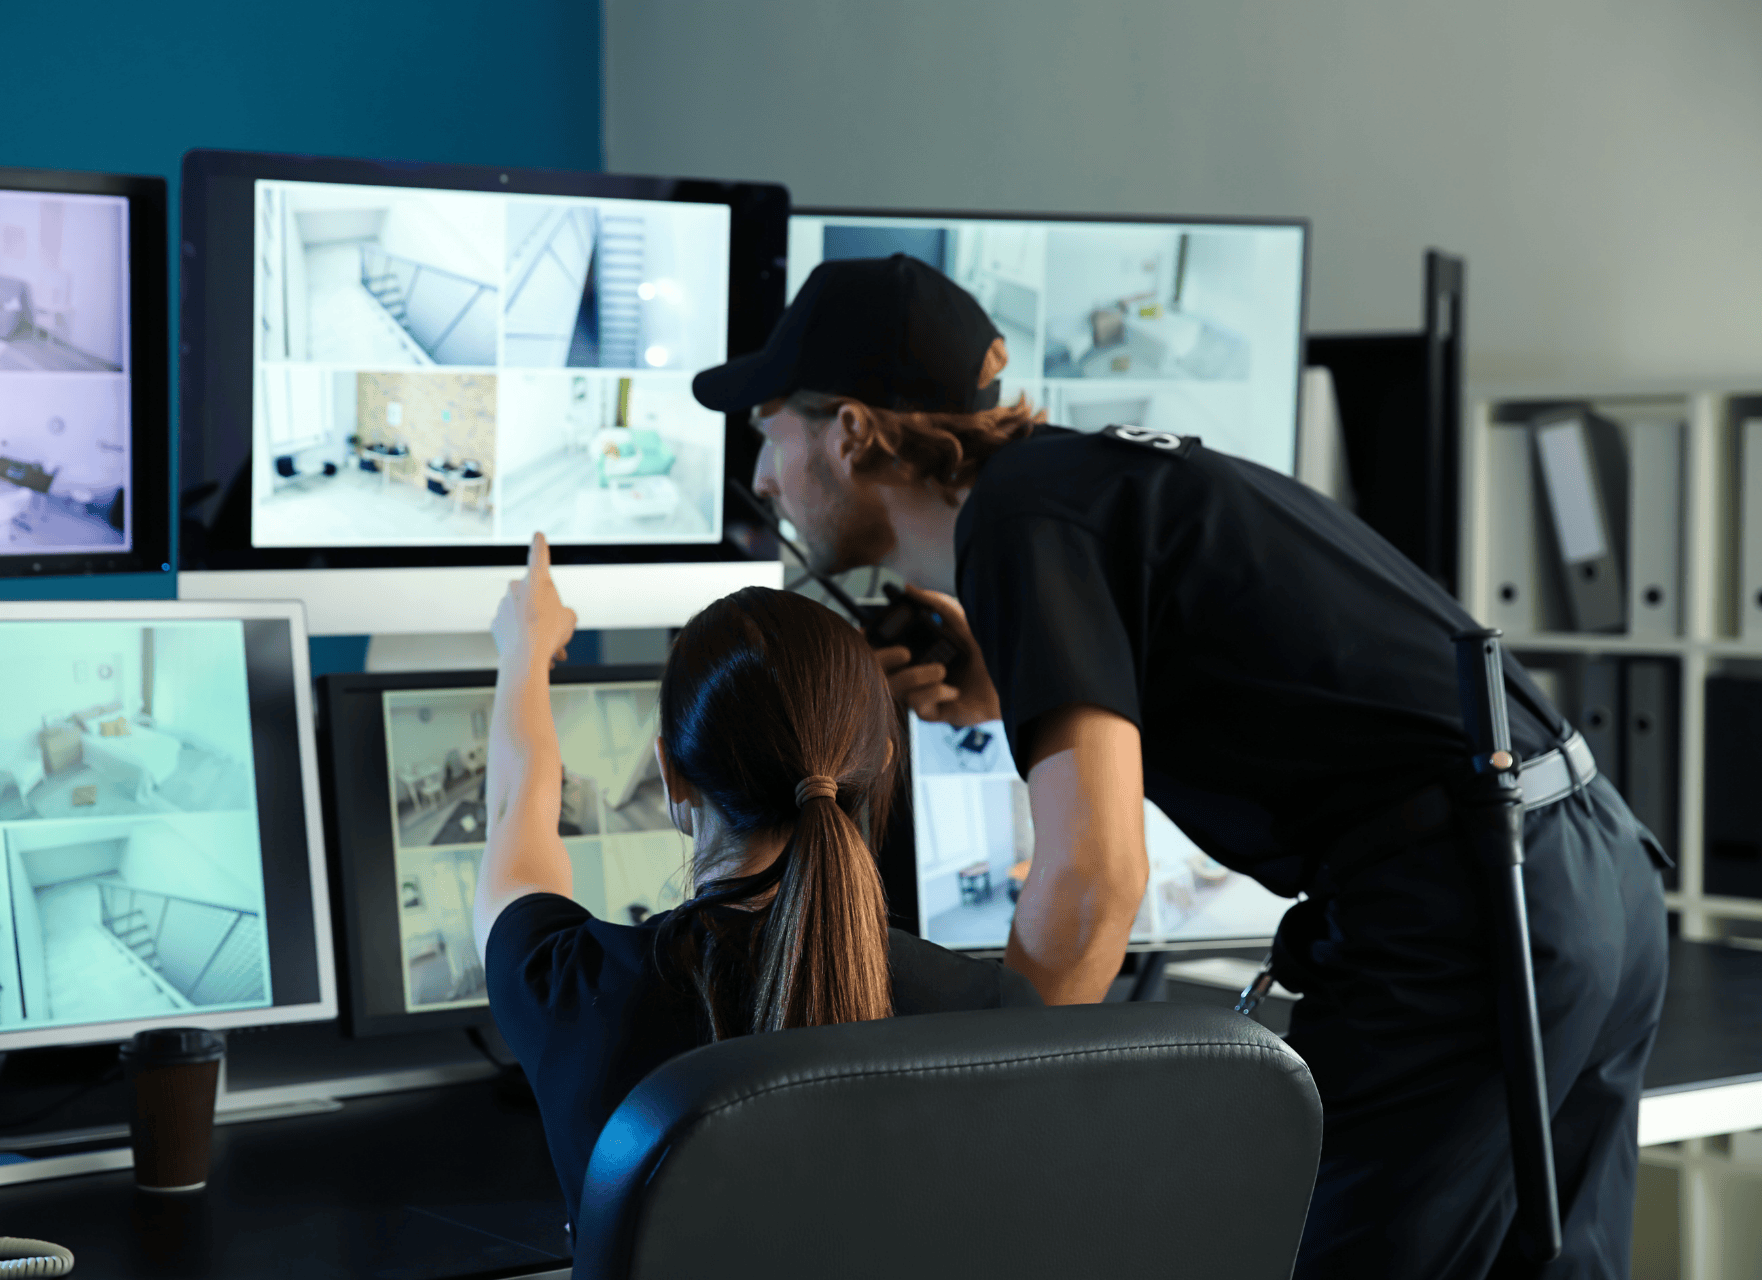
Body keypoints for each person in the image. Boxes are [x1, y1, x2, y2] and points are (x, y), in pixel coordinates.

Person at [691, 253, 1669, 1279]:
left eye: (768, 430)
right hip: (1590, 862)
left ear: (851, 431)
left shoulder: (1020, 522)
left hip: (1467, 908)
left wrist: (980, 1132)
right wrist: (1012, 677)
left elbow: (1092, 883)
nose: (764, 477)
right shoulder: (1081, 482)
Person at [477, 533, 1040, 1226]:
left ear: (671, 775)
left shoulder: (568, 990)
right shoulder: (996, 1016)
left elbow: (514, 809)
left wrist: (525, 650)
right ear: (881, 764)